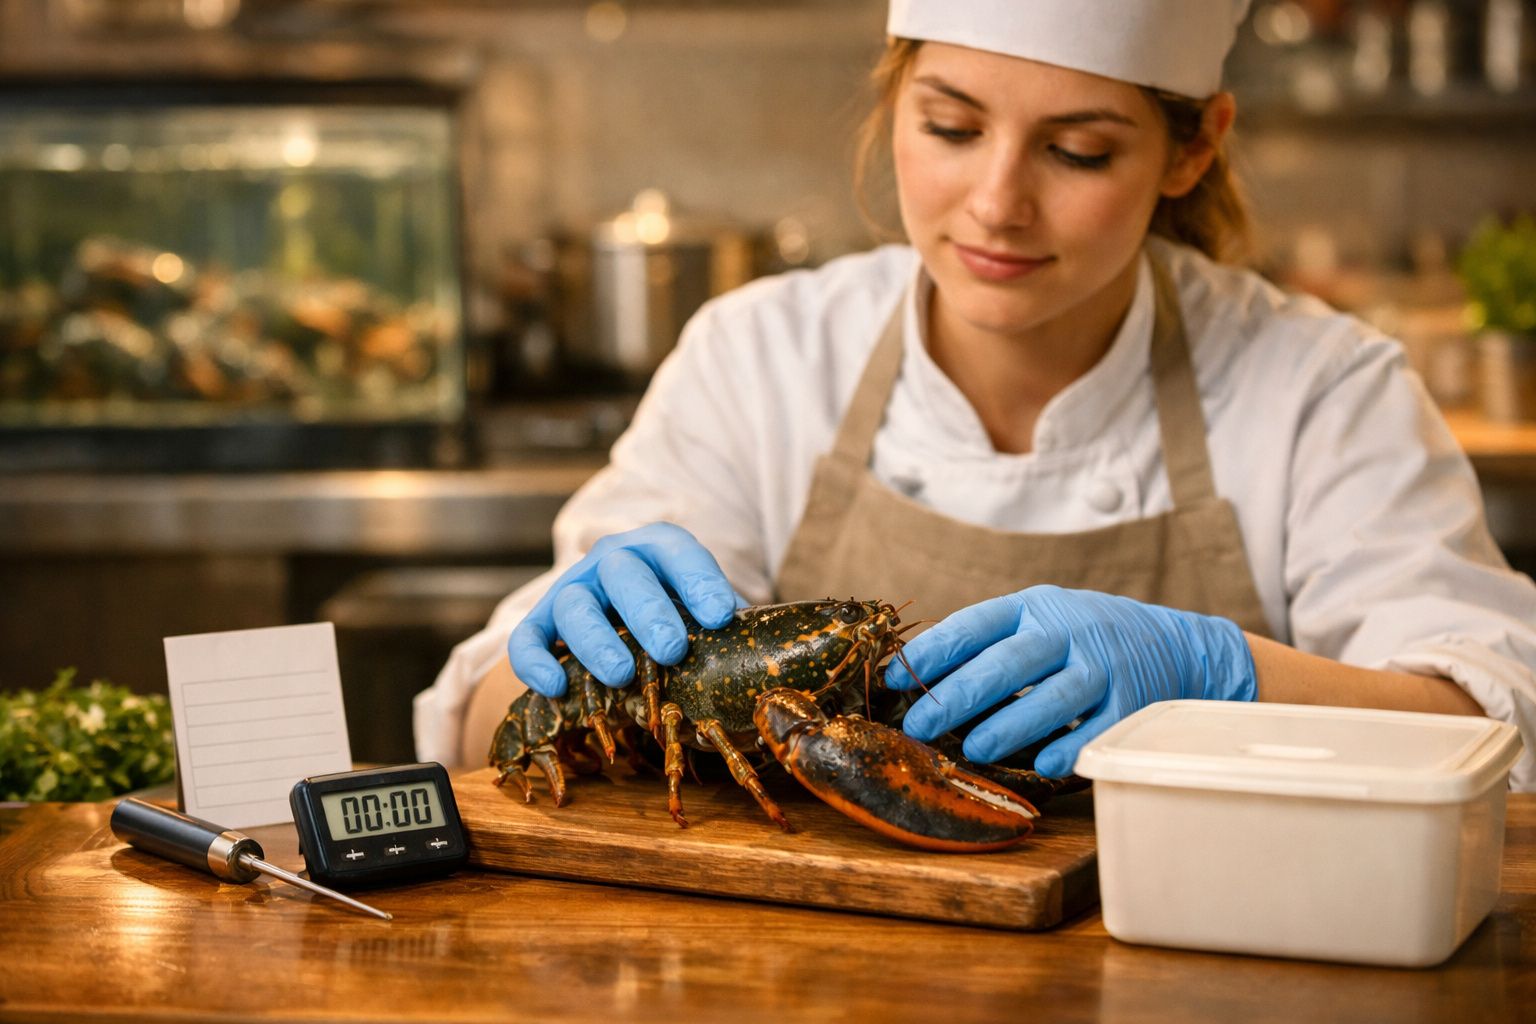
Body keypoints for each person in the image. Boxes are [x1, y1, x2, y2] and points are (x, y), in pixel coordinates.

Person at [416, 0, 1536, 787]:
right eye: (950, 127)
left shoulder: (1320, 389)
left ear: (1193, 149)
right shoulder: (761, 356)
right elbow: (472, 732)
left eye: (1081, 152)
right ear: (893, 103)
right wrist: (557, 657)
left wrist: (1227, 676)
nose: (997, 202)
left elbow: (1503, 733)